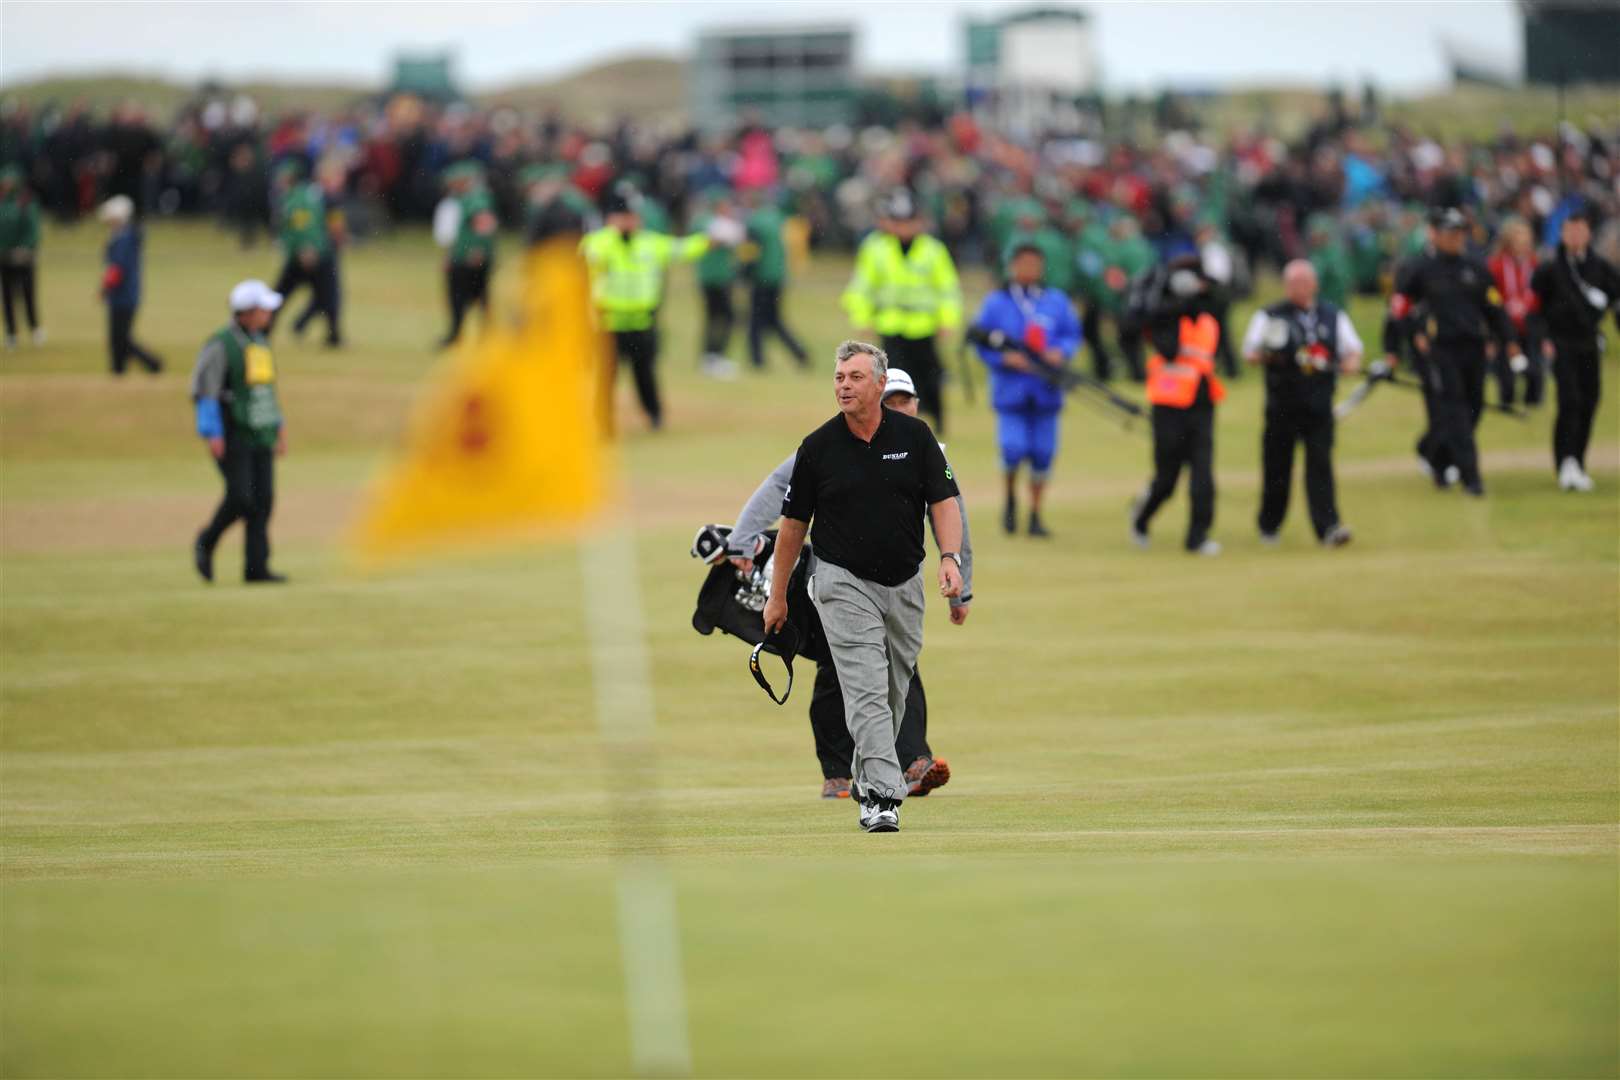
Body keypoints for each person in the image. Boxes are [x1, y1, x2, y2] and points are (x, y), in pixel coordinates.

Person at [729, 367, 971, 799]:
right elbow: (783, 497)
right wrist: (742, 540)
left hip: (898, 583)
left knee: (895, 670)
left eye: (905, 400)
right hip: (836, 581)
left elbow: (950, 511)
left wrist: (959, 578)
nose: (899, 409)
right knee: (843, 669)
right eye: (892, 401)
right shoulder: (826, 445)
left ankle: (885, 767)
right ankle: (864, 772)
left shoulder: (920, 444)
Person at [1386, 207, 1524, 497]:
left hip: (1473, 347)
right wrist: (1402, 343)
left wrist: (1508, 340)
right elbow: (1400, 309)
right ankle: (1471, 477)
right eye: (1450, 233)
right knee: (1456, 410)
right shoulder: (1419, 268)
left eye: (1460, 233)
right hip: (1439, 349)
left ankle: (1434, 455)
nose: (1456, 239)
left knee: (1473, 409)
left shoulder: (1475, 267)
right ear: (1435, 235)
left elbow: (1493, 308)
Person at [579, 184, 725, 430]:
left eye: (633, 217)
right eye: (624, 216)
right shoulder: (596, 244)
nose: (630, 222)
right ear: (611, 218)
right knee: (605, 376)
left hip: (642, 321)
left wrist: (707, 242)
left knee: (645, 374)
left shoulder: (650, 243)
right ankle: (601, 420)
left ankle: (654, 415)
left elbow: (681, 248)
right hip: (608, 323)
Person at [1241, 260, 1361, 547]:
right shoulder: (1270, 315)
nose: (1299, 288)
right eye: (1293, 283)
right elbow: (1250, 352)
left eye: (1304, 282)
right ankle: (1269, 525)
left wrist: (1348, 364)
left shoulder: (1331, 315)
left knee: (1320, 465)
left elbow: (1352, 350)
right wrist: (1273, 354)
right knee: (1277, 468)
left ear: (1314, 284)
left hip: (1319, 405)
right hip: (1282, 404)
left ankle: (1328, 527)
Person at [971, 241, 1082, 537]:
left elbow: (1072, 334)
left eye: (1035, 264)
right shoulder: (997, 303)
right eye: (1024, 263)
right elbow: (979, 342)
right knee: (1013, 448)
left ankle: (1035, 513)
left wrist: (1061, 351)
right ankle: (1009, 499)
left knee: (1043, 453)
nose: (1030, 270)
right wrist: (1003, 358)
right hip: (1012, 389)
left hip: (1046, 389)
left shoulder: (1055, 301)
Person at [190, 280, 288, 585]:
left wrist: (278, 426)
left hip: (261, 430)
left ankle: (256, 568)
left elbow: (265, 389)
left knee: (264, 500)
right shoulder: (221, 344)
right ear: (246, 312)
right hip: (232, 432)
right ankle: (206, 541)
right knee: (241, 497)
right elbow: (206, 390)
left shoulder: (260, 341)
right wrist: (212, 432)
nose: (269, 314)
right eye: (264, 309)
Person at [841, 189, 962, 432]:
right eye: (898, 221)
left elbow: (947, 289)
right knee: (892, 377)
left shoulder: (933, 250)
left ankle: (936, 421)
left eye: (909, 221)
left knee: (930, 375)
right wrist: (862, 317)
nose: (903, 227)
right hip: (890, 322)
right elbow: (861, 287)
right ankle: (892, 422)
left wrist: (947, 320)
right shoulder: (876, 249)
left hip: (924, 324)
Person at [1129, 256, 1226, 556]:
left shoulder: (1207, 313)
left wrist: (1200, 293)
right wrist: (1177, 300)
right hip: (1168, 403)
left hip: (1202, 402)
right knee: (1167, 478)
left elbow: (1223, 299)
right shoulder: (1164, 313)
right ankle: (1142, 518)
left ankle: (1197, 536)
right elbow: (1166, 348)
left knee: (1203, 475)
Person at [1530, 208, 1620, 492]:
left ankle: (1578, 460)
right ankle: (1565, 462)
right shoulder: (1549, 269)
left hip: (1589, 343)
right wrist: (1540, 340)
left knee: (1589, 401)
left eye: (1580, 230)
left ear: (1588, 233)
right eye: (1570, 230)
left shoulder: (1601, 268)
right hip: (1560, 342)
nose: (1575, 236)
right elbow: (1536, 310)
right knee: (1569, 400)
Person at [269, 163, 341, 347]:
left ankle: (265, 329)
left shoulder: (299, 198)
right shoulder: (306, 195)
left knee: (281, 294)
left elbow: (304, 224)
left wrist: (306, 247)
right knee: (327, 296)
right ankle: (333, 336)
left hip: (308, 254)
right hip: (315, 253)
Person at [742, 188, 809, 371]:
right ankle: (799, 353)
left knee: (756, 320)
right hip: (777, 276)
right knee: (773, 319)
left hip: (762, 276)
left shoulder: (755, 221)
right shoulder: (778, 219)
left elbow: (751, 250)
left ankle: (757, 360)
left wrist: (744, 273)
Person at [433, 162, 498, 349]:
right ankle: (458, 333)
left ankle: (480, 335)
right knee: (461, 297)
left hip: (471, 257)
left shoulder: (477, 199)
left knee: (474, 297)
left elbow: (484, 225)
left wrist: (478, 249)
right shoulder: (463, 198)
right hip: (460, 255)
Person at [98, 195, 163, 375]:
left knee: (119, 337)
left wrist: (105, 288)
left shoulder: (123, 239)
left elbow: (118, 268)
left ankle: (150, 364)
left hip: (123, 295)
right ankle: (121, 370)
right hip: (126, 294)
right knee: (120, 337)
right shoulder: (123, 236)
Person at [1486, 217, 1542, 408]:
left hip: (1530, 324)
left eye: (1526, 241)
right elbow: (1491, 295)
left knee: (1534, 368)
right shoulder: (1496, 265)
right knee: (1505, 372)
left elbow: (1541, 294)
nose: (1523, 245)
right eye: (1519, 240)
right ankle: (1507, 400)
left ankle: (1532, 401)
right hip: (1504, 325)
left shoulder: (1535, 264)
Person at [690, 190, 742, 378]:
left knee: (716, 317)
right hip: (714, 278)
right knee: (722, 317)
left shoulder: (711, 222)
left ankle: (711, 356)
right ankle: (714, 356)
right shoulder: (711, 223)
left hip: (719, 277)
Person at [0, 164, 43, 348]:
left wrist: (25, 248)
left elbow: (33, 229)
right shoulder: (2, 204)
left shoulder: (25, 202)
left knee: (28, 295)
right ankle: (11, 333)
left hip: (23, 258)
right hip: (4, 258)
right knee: (7, 297)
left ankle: (34, 329)